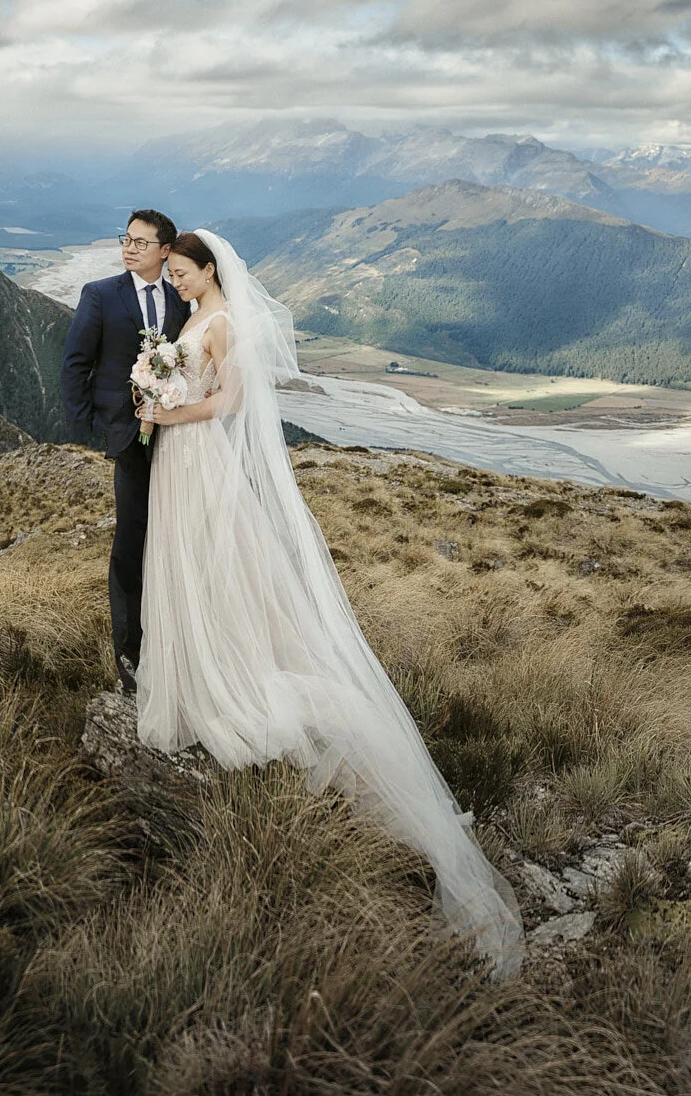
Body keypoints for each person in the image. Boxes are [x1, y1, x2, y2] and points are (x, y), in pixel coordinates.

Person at [134, 229, 525, 977]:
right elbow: (184, 379)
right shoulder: (191, 318)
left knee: (218, 568)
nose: (176, 283)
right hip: (176, 463)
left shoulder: (225, 325)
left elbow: (229, 401)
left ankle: (226, 669)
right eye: (173, 275)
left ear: (210, 269)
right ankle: (195, 663)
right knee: (185, 570)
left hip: (196, 454)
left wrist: (163, 410)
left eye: (183, 273)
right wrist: (158, 391)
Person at [60, 209, 188, 694]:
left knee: (171, 533)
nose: (129, 248)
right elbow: (75, 364)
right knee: (131, 539)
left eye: (140, 242)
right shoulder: (100, 295)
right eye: (126, 239)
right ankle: (128, 651)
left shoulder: (180, 298)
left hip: (174, 435)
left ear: (165, 251)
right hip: (124, 435)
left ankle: (168, 637)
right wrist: (93, 428)